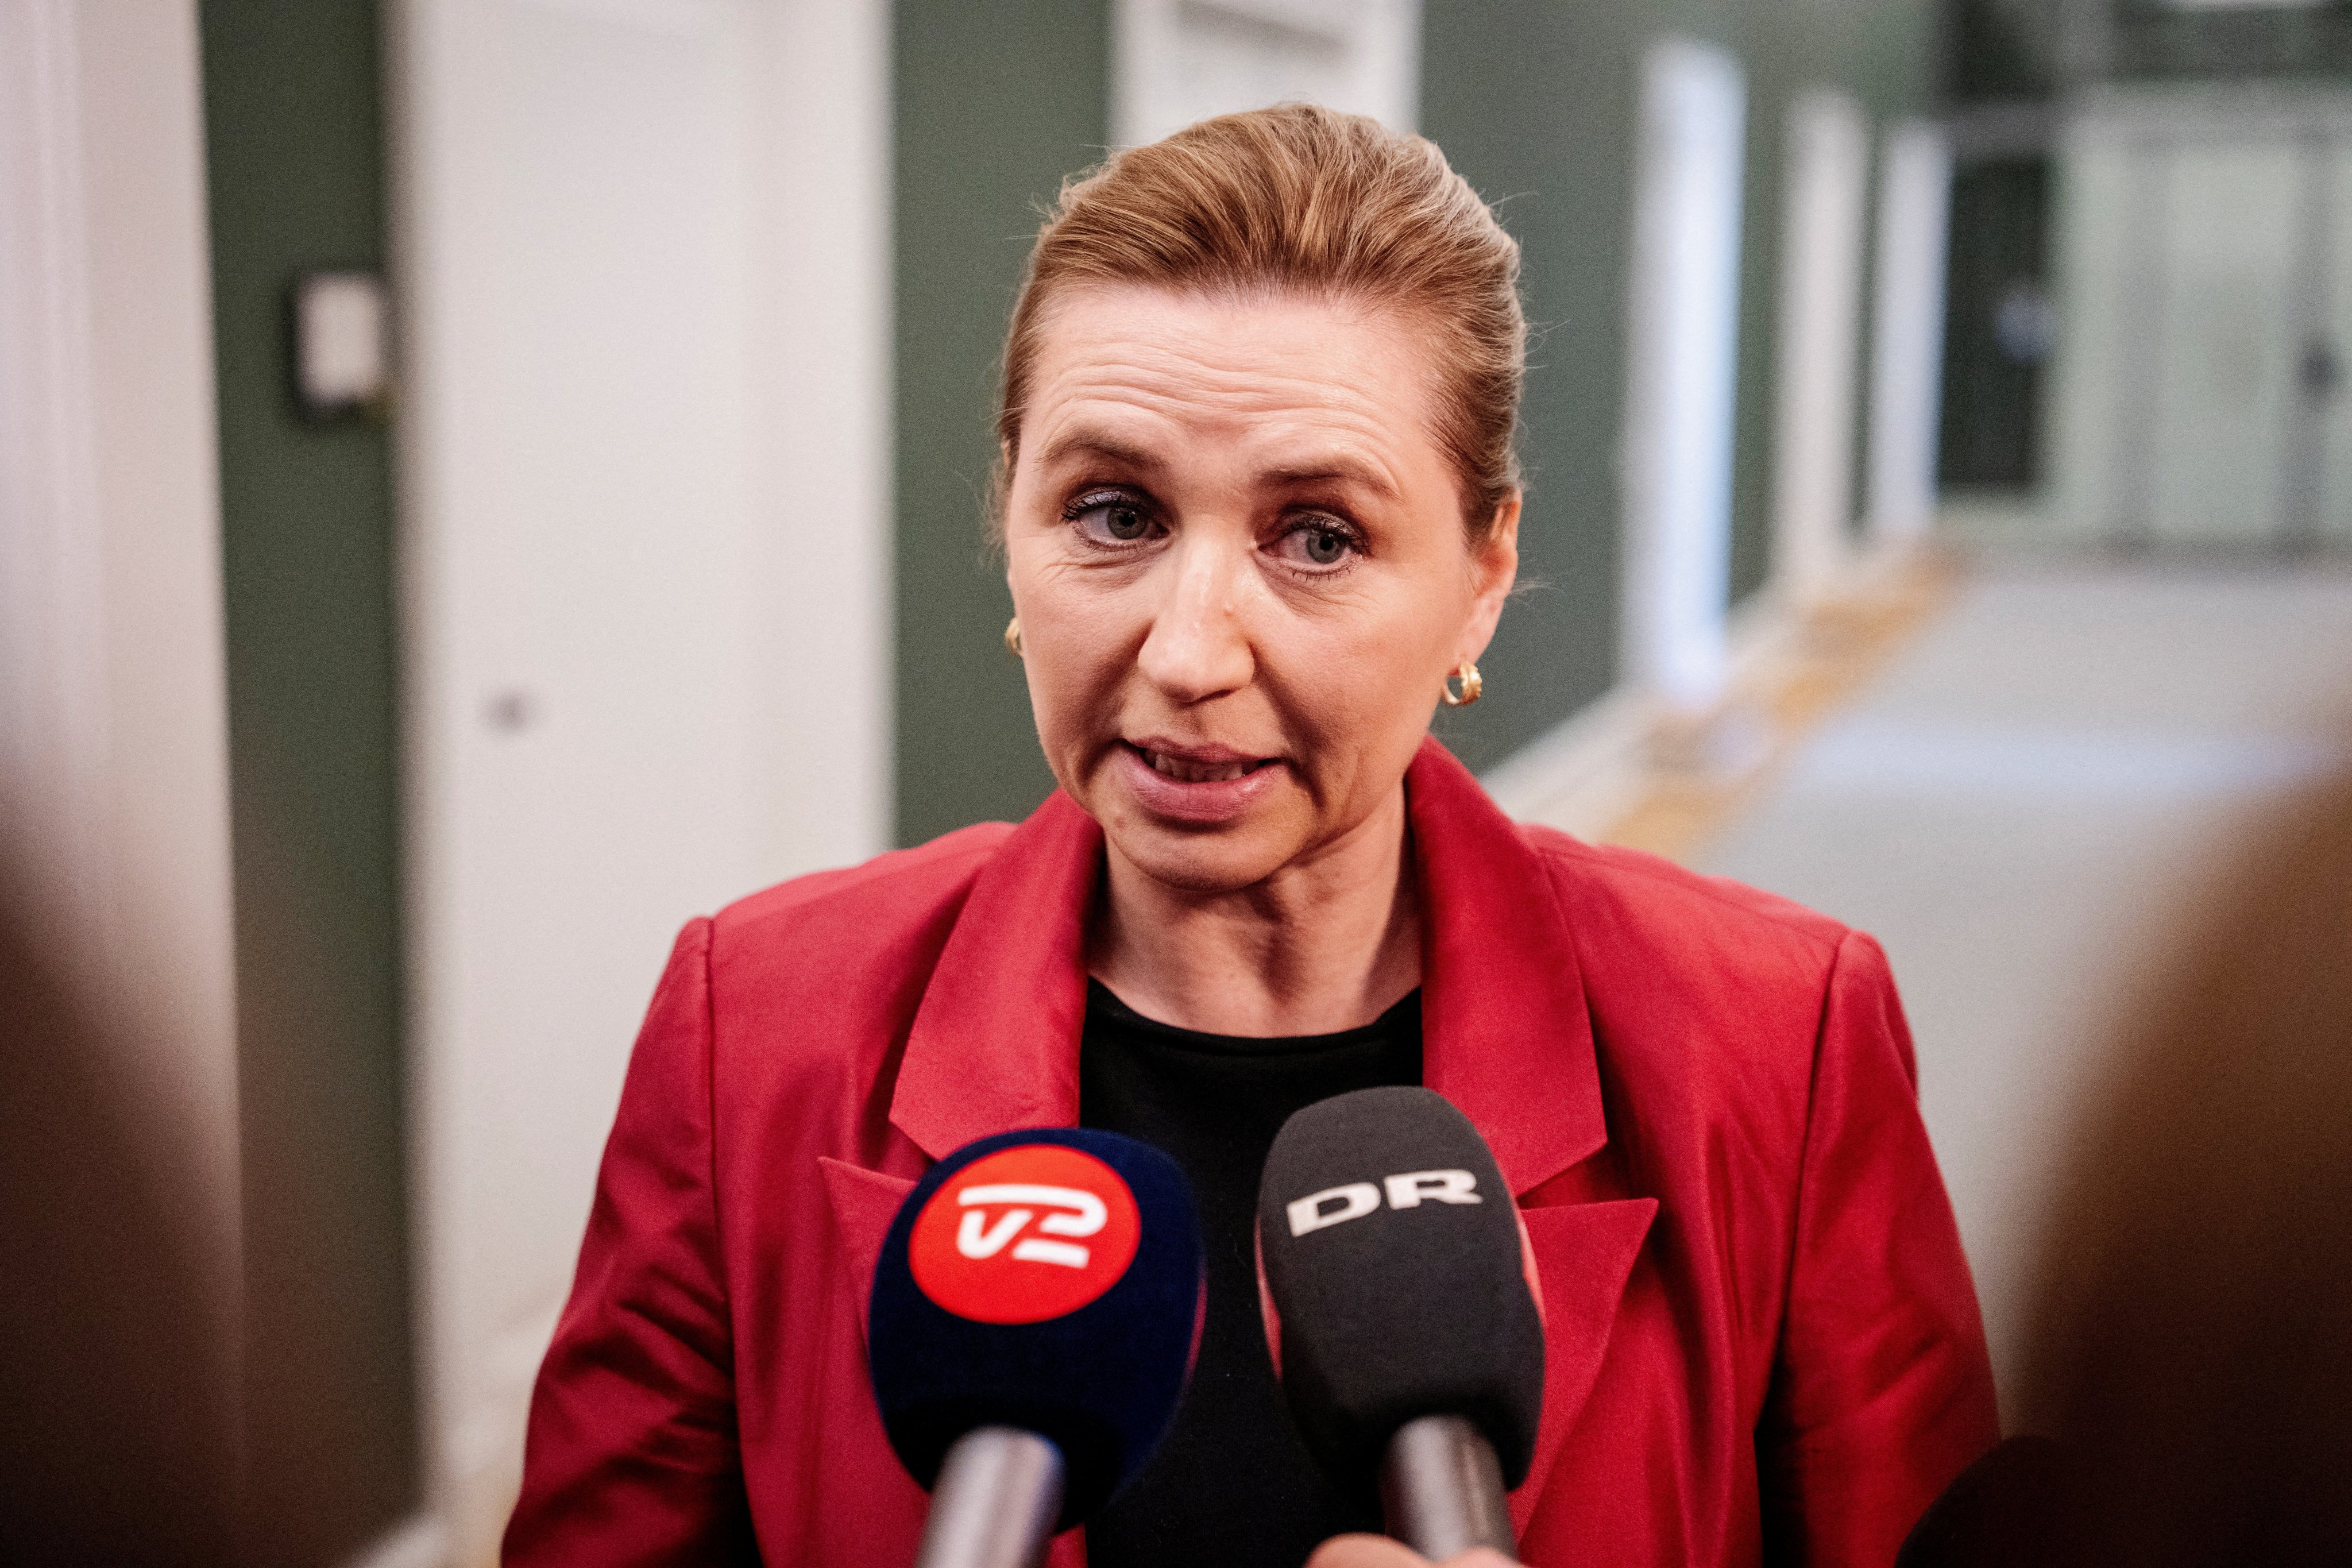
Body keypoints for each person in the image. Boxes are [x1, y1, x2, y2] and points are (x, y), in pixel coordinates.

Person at [504, 105, 1996, 1567]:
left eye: (1320, 536)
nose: (1192, 651)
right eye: (1113, 511)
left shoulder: (1777, 1045)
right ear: (1011, 527)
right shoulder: (750, 1023)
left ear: (1483, 573)